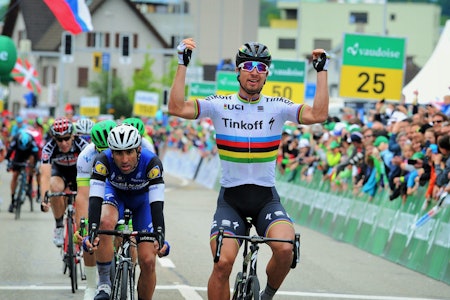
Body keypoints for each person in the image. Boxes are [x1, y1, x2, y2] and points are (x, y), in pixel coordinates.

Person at [168, 38, 329, 300]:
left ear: (266, 75)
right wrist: (182, 64)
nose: (255, 71)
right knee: (222, 264)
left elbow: (318, 115)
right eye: (249, 65)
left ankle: (266, 296)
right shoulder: (219, 104)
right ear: (238, 70)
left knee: (286, 248)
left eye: (261, 67)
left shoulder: (278, 107)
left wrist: (321, 71)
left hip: (265, 198)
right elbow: (176, 107)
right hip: (232, 199)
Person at [85, 124, 169, 300]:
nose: (124, 159)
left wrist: (160, 235)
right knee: (105, 222)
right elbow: (95, 199)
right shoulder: (102, 161)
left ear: (138, 149)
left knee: (147, 261)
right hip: (115, 195)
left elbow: (157, 203)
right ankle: (104, 283)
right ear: (111, 152)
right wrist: (92, 232)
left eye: (129, 152)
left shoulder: (152, 162)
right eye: (118, 153)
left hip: (143, 202)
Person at [75, 119, 116, 300]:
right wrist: (83, 226)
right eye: (101, 150)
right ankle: (91, 285)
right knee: (87, 230)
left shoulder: (128, 152)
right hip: (96, 187)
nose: (106, 154)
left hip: (120, 189)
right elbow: (83, 195)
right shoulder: (86, 156)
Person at [40, 117, 89, 247]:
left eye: (66, 138)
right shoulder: (49, 148)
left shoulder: (82, 145)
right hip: (59, 174)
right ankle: (59, 225)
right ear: (54, 139)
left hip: (78, 174)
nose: (63, 143)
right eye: (59, 140)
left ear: (73, 136)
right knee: (55, 188)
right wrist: (44, 198)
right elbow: (45, 175)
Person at [5, 130, 39, 213]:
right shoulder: (16, 138)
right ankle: (13, 200)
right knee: (15, 175)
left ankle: (29, 182)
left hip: (29, 154)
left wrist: (34, 167)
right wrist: (9, 163)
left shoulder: (32, 141)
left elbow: (36, 156)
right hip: (19, 154)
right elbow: (9, 153)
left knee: (32, 162)